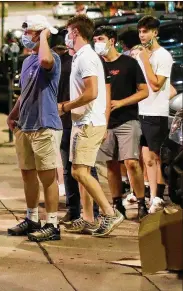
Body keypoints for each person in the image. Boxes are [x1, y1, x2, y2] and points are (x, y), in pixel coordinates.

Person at [59, 15, 124, 237]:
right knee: (79, 172)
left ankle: (109, 213)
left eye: (69, 32)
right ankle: (88, 218)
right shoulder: (80, 56)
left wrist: (66, 106)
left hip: (88, 123)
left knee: (80, 172)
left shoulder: (87, 57)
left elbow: (92, 92)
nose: (67, 37)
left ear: (75, 33)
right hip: (81, 122)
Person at [5, 16, 63, 242]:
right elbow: (25, 92)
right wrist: (13, 114)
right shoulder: (28, 60)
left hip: (44, 125)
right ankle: (32, 218)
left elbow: (46, 61)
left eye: (30, 32)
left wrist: (46, 37)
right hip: (26, 125)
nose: (25, 37)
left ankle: (53, 224)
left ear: (40, 34)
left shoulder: (51, 58)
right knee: (27, 174)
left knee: (47, 177)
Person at [93, 26, 149, 221]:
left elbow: (144, 91)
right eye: (95, 40)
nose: (97, 43)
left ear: (112, 41)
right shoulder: (97, 65)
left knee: (131, 162)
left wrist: (121, 103)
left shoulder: (129, 63)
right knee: (111, 165)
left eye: (100, 39)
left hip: (127, 119)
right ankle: (117, 204)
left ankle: (142, 202)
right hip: (105, 123)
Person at [52, 45, 101, 225]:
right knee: (73, 169)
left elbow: (92, 92)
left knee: (83, 169)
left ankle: (93, 212)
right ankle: (78, 212)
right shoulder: (67, 63)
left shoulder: (82, 61)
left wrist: (64, 107)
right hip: (68, 120)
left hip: (78, 119)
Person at [136, 16, 174, 213]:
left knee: (155, 157)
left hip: (155, 113)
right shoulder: (141, 55)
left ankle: (158, 196)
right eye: (140, 31)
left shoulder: (163, 56)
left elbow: (156, 84)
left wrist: (145, 61)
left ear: (155, 33)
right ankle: (151, 197)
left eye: (146, 31)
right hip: (140, 111)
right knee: (145, 159)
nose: (142, 35)